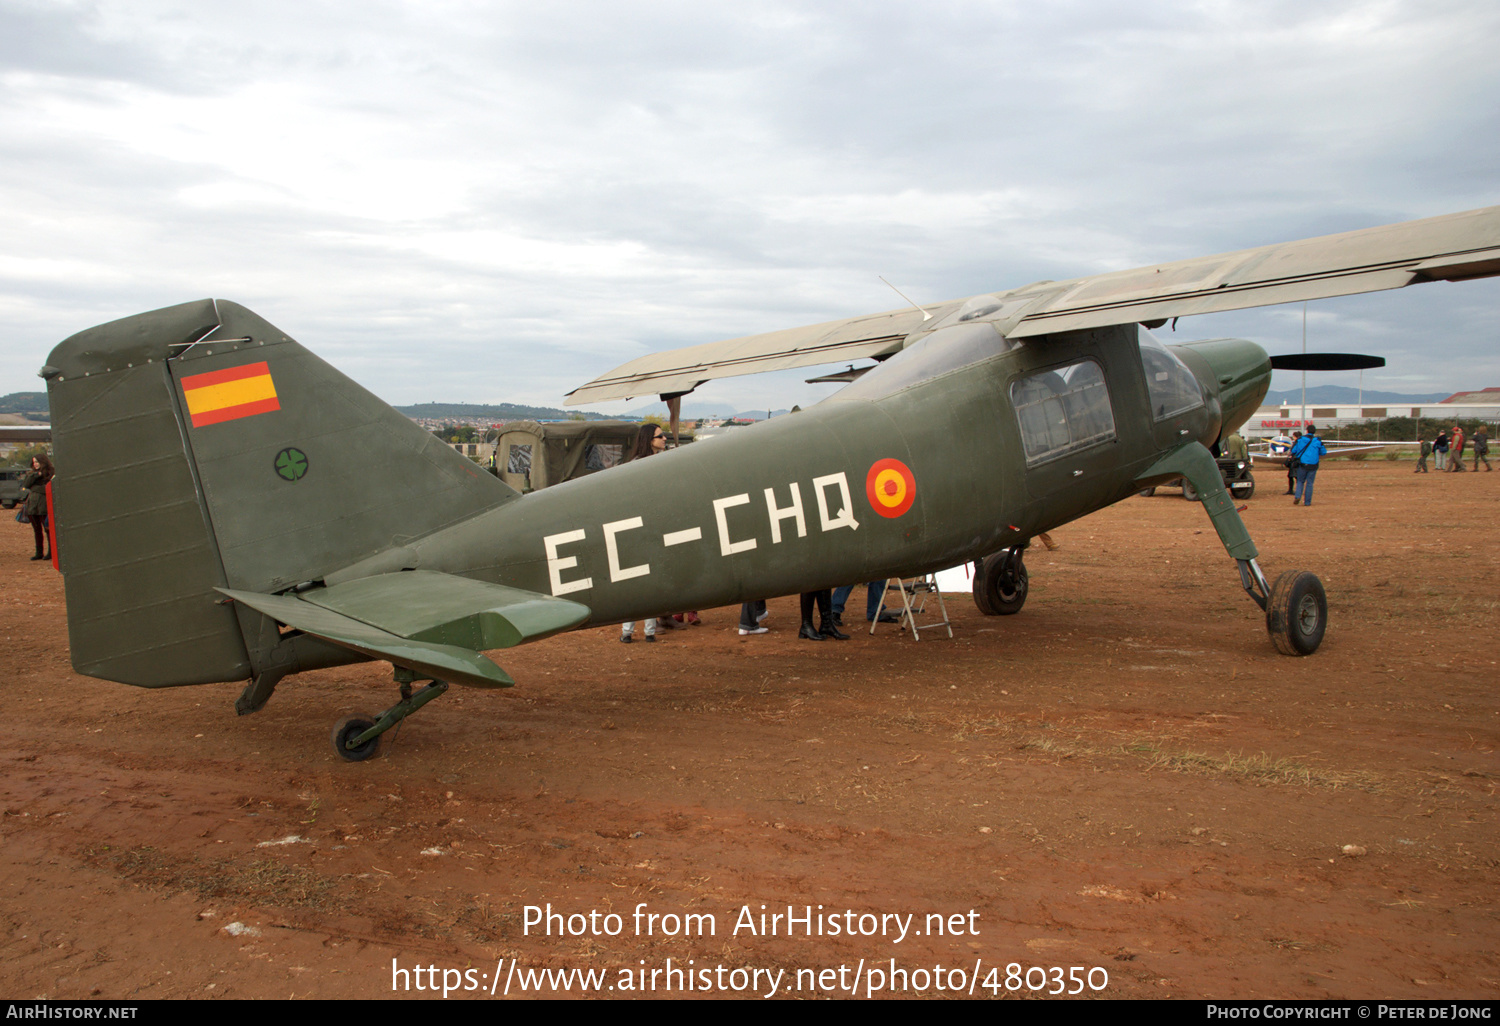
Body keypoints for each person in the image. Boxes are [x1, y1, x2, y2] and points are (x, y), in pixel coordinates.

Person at [620, 425, 667, 643]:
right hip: (640, 532)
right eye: (660, 436)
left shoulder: (649, 463)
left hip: (649, 531)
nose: (664, 438)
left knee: (646, 582)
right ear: (650, 440)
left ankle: (643, 630)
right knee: (640, 582)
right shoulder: (641, 466)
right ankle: (633, 630)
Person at [21, 454, 53, 562]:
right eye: (34, 462)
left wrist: (34, 488)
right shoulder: (31, 474)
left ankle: (51, 552)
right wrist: (35, 476)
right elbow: (25, 485)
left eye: (37, 462)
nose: (35, 464)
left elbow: (47, 489)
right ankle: (39, 552)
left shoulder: (50, 473)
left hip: (44, 506)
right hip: (32, 506)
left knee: (48, 530)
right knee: (37, 530)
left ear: (43, 462)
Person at [1290, 425, 1327, 506]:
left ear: (1306, 431)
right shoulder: (1317, 441)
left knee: (1300, 481)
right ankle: (1307, 502)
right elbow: (1323, 452)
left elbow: (1293, 450)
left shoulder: (1301, 440)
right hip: (1313, 465)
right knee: (1310, 483)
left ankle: (1297, 496)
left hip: (1302, 464)